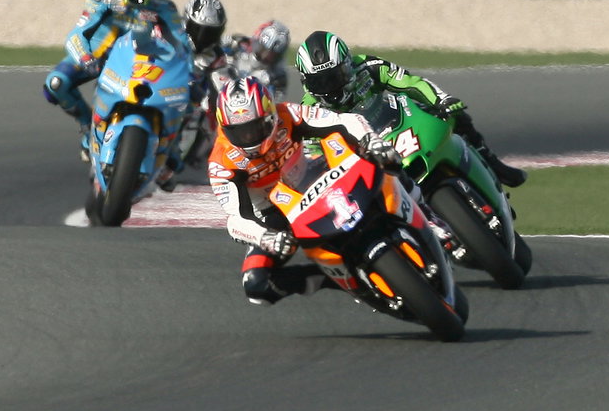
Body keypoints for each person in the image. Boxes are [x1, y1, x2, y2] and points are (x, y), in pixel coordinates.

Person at [206, 74, 408, 306]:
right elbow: (235, 220)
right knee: (256, 287)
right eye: (238, 132)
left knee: (383, 158)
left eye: (255, 128)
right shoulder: (221, 162)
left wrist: (370, 140)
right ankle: (346, 280)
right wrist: (266, 237)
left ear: (270, 115)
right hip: (275, 215)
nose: (248, 138)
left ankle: (426, 216)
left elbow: (343, 121)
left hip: (312, 175)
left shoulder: (288, 114)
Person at [293, 30, 526, 188]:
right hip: (364, 154)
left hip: (396, 122)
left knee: (454, 114)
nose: (330, 87)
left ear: (348, 65)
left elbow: (410, 83)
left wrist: (442, 100)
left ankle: (491, 162)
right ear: (306, 82)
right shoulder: (307, 109)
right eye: (320, 82)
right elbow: (312, 154)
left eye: (335, 77)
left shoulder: (368, 66)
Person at [43, 0, 191, 157]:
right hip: (96, 56)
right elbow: (77, 34)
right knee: (55, 84)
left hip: (136, 62)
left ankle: (169, 151)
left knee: (183, 99)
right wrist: (85, 57)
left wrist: (188, 71)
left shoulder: (163, 5)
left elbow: (182, 43)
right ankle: (87, 125)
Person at [180, 0, 232, 168]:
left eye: (210, 33)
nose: (203, 38)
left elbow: (225, 89)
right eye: (199, 30)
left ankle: (180, 161)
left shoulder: (216, 57)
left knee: (207, 116)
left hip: (188, 102)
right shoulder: (169, 37)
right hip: (157, 87)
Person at [228, 19, 294, 98]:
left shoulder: (278, 78)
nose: (265, 56)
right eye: (263, 49)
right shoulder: (239, 45)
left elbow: (275, 104)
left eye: (271, 54)